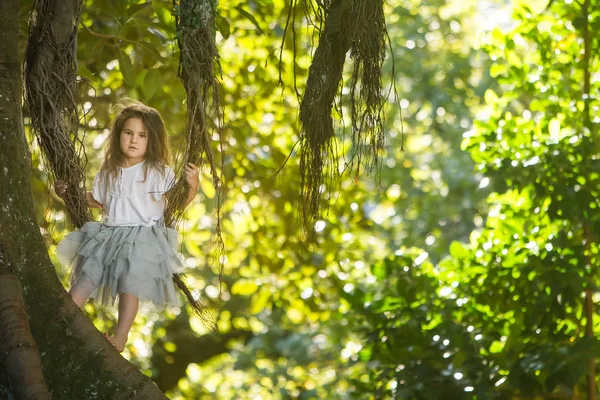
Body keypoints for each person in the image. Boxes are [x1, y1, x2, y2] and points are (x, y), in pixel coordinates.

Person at [55, 102, 200, 352]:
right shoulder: (109, 170)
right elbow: (98, 200)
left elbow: (177, 203)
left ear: (151, 140)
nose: (134, 140)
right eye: (128, 133)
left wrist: (193, 185)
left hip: (142, 237)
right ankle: (64, 317)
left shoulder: (158, 171)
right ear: (118, 135)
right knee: (86, 275)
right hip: (108, 234)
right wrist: (69, 194)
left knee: (129, 284)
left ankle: (121, 336)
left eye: (142, 135)